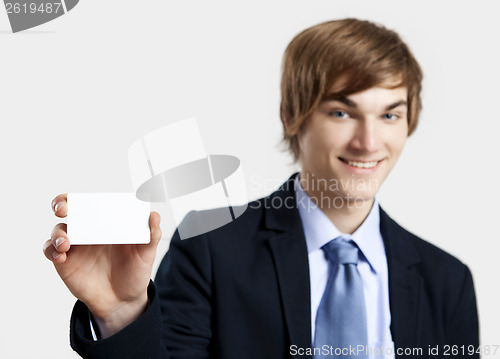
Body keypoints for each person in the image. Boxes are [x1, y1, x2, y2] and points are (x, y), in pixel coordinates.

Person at [44, 18, 479, 358]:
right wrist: (122, 314)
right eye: (342, 113)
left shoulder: (446, 282)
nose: (368, 142)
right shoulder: (211, 247)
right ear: (292, 115)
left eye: (389, 115)